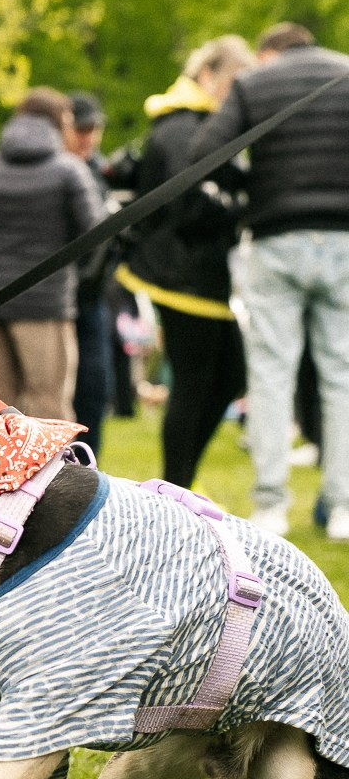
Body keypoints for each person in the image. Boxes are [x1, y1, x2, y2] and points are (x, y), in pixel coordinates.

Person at [192, 23, 349, 539]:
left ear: (267, 52)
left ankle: (271, 507)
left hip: (276, 237)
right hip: (343, 238)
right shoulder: (344, 74)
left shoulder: (256, 84)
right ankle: (343, 508)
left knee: (271, 376)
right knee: (341, 375)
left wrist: (251, 185)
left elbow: (205, 154)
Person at [116, 35, 255, 490]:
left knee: (228, 374)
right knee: (195, 384)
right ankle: (175, 489)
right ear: (208, 75)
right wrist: (243, 210)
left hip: (198, 275)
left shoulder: (198, 123)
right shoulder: (181, 128)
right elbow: (188, 204)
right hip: (178, 273)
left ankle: (179, 484)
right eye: (235, 82)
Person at [0, 88, 104, 420]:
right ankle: (50, 474)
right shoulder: (68, 170)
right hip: (46, 306)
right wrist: (84, 276)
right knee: (47, 406)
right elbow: (97, 233)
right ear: (59, 121)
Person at [63, 93, 116, 456]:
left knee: (96, 386)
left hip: (94, 297)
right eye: (81, 129)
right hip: (57, 296)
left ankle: (89, 463)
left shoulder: (102, 173)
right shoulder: (55, 171)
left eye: (93, 129)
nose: (88, 137)